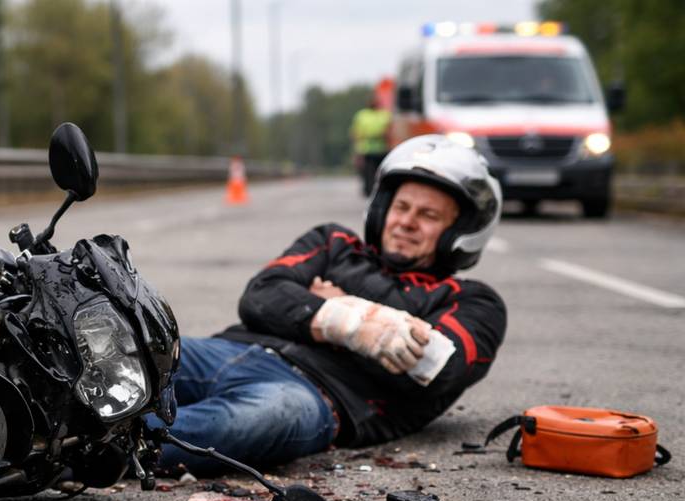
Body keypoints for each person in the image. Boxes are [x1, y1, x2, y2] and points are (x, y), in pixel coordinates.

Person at [152, 134, 506, 476]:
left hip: (316, 395)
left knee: (266, 416)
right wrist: (361, 328)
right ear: (383, 208)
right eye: (401, 207)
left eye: (428, 215)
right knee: (137, 352)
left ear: (458, 232)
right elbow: (261, 296)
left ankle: (110, 447)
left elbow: (436, 367)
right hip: (232, 350)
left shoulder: (474, 302)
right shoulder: (334, 242)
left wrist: (337, 307)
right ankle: (101, 424)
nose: (407, 222)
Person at [350, 98, 392, 196]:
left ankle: (370, 191)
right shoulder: (384, 115)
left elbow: (355, 133)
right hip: (377, 149)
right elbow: (388, 133)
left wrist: (356, 150)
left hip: (368, 149)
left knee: (368, 174)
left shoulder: (362, 115)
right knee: (378, 172)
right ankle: (377, 190)